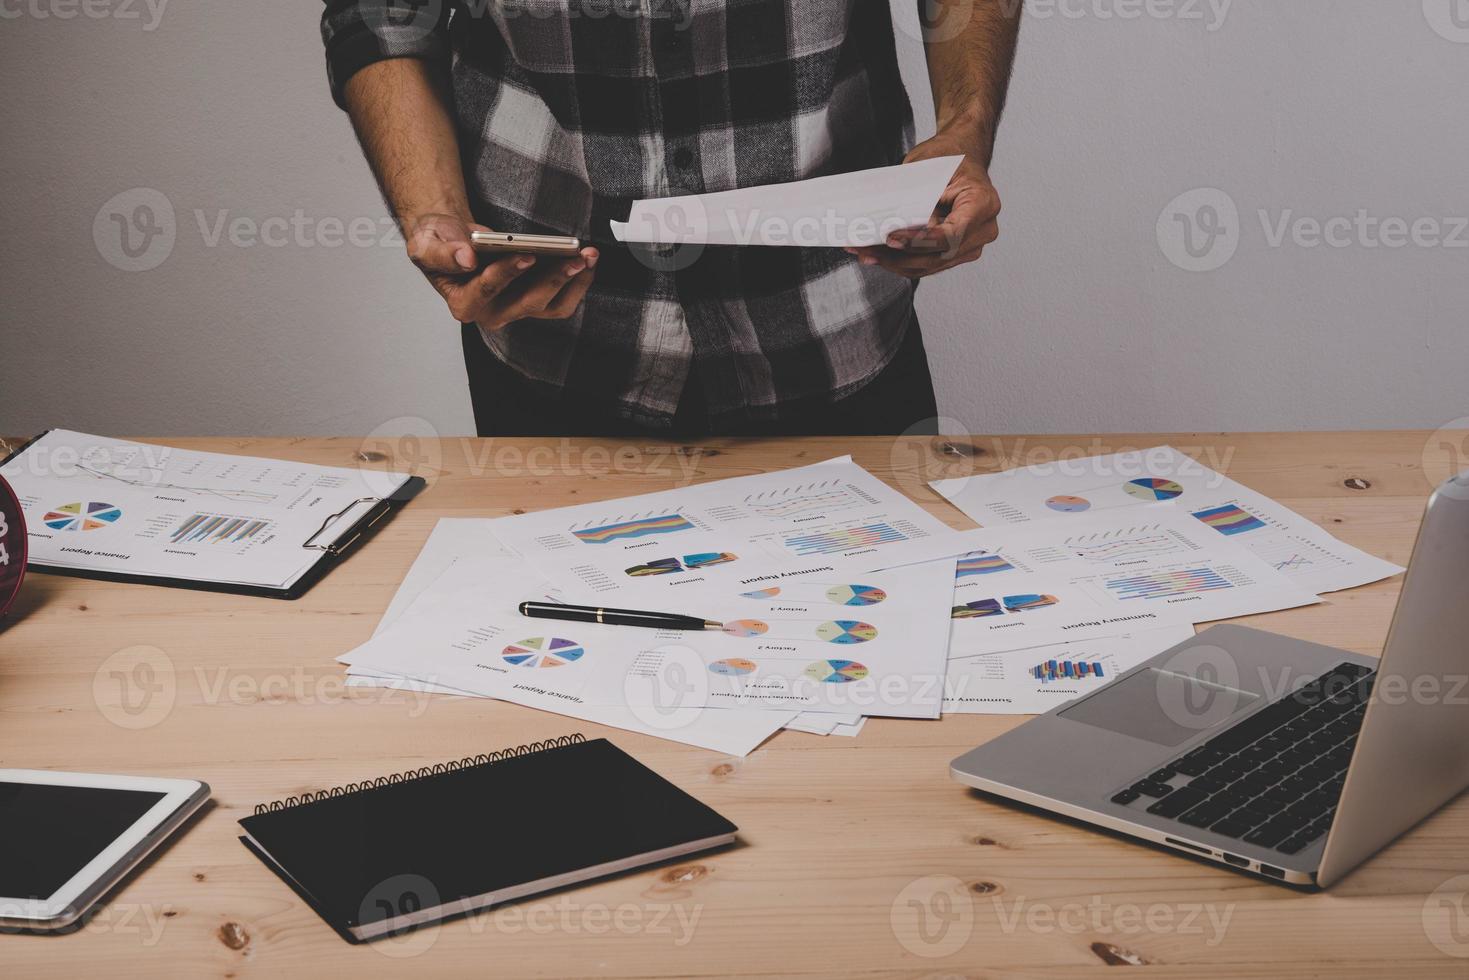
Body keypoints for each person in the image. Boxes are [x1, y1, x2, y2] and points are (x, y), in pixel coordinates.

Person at [321, 1, 1019, 437]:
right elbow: (380, 11)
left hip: (834, 317)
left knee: (868, 651)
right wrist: (432, 210)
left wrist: (966, 127)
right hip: (549, 331)